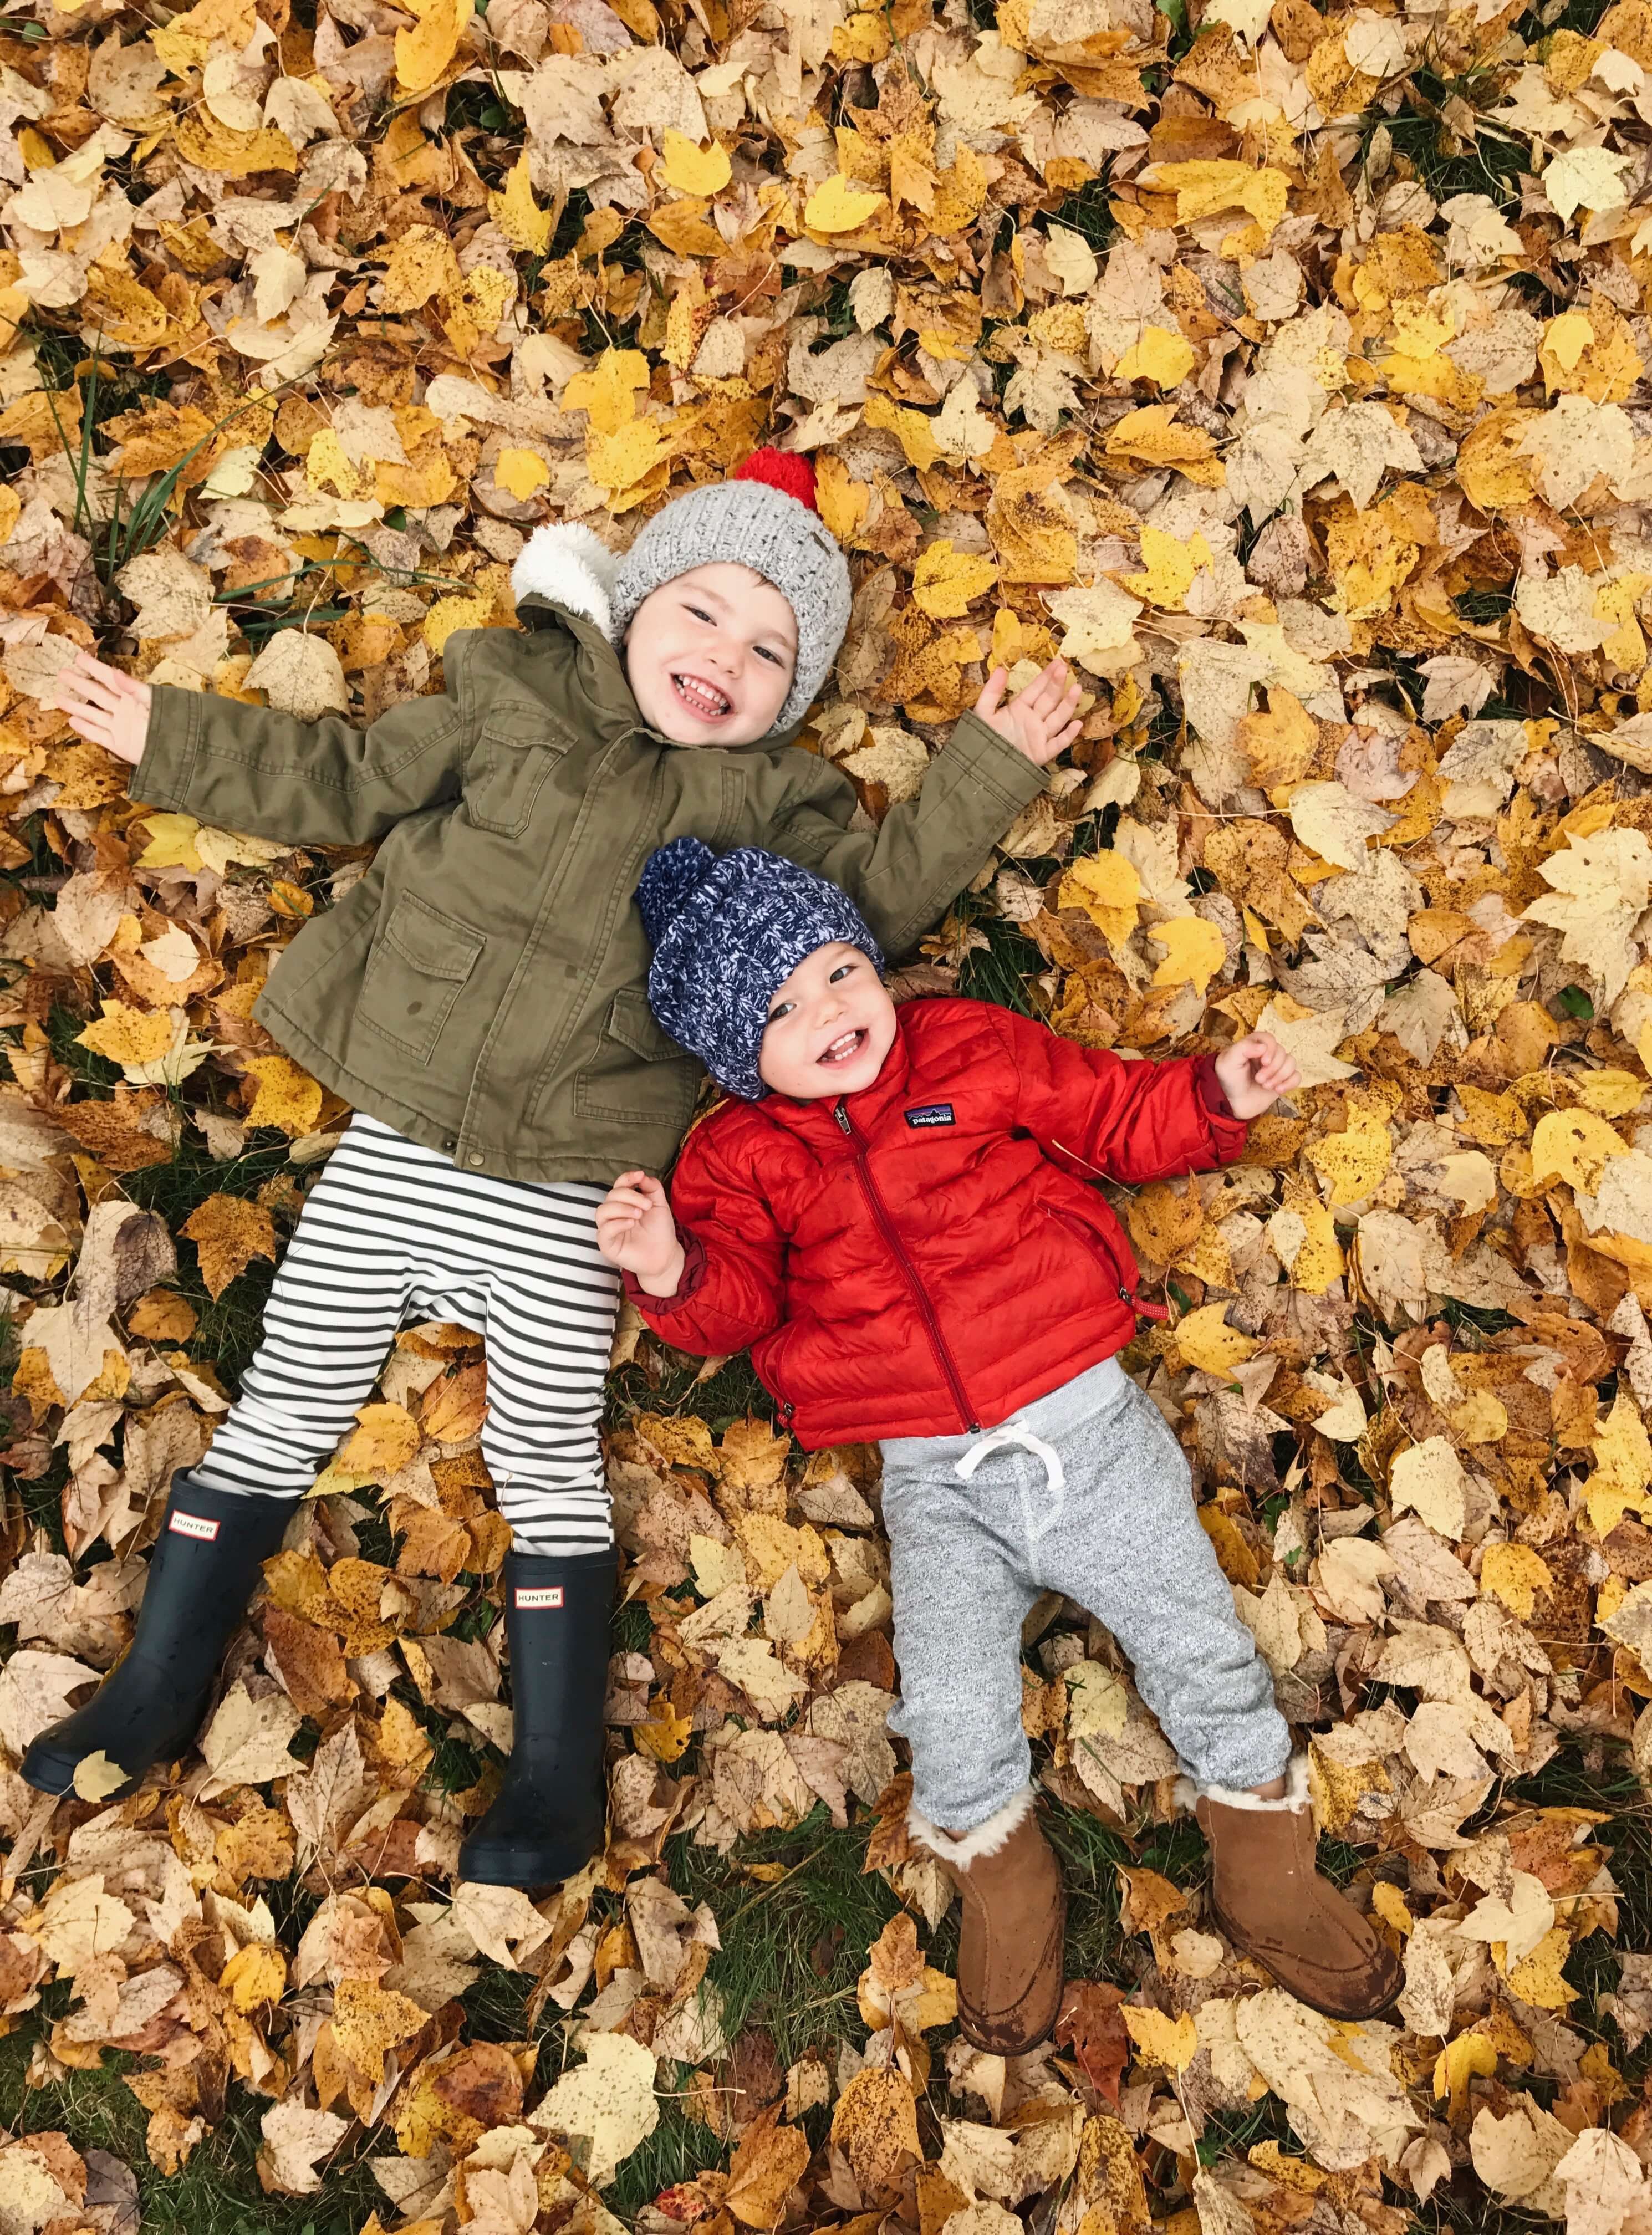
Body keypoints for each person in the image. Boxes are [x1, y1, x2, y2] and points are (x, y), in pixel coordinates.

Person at [35, 451, 1082, 1886]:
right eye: (703, 612)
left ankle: (549, 1784)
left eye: (771, 650)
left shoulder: (771, 812)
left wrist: (986, 771)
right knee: (284, 1403)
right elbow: (337, 776)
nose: (726, 657)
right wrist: (170, 733)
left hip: (577, 1183)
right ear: (636, 603)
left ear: (797, 695)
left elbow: (872, 906)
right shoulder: (509, 698)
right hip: (403, 1135)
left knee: (544, 1462)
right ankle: (155, 1686)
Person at [596, 838, 1404, 2048]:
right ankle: (1003, 1878)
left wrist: (1209, 1098)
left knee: (1193, 1634)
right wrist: (667, 1267)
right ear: (733, 1054)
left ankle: (1263, 1864)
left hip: (1083, 1428)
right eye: (779, 1007)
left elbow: (1107, 1114)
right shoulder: (736, 1159)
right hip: (936, 1481)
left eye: (834, 972)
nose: (827, 1011)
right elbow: (738, 1306)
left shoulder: (966, 1048)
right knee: (951, 1700)